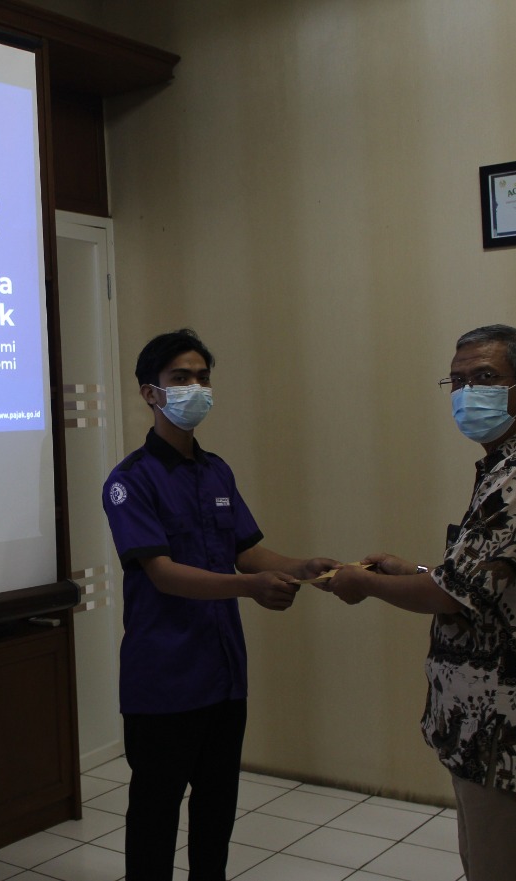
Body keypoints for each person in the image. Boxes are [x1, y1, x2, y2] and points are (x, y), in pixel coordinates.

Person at [325, 324, 516, 881]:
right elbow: (481, 581)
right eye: (457, 381)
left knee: (506, 865)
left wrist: (363, 584)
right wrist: (414, 571)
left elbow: (452, 594)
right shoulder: (504, 466)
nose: (467, 393)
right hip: (481, 718)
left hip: (507, 724)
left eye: (484, 378)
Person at [102, 328, 339, 881]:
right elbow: (162, 573)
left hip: (223, 675)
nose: (196, 388)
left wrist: (302, 567)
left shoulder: (217, 471)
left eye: (202, 377)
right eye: (180, 378)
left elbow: (246, 552)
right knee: (155, 814)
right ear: (150, 392)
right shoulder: (129, 481)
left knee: (216, 810)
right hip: (163, 679)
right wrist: (250, 588)